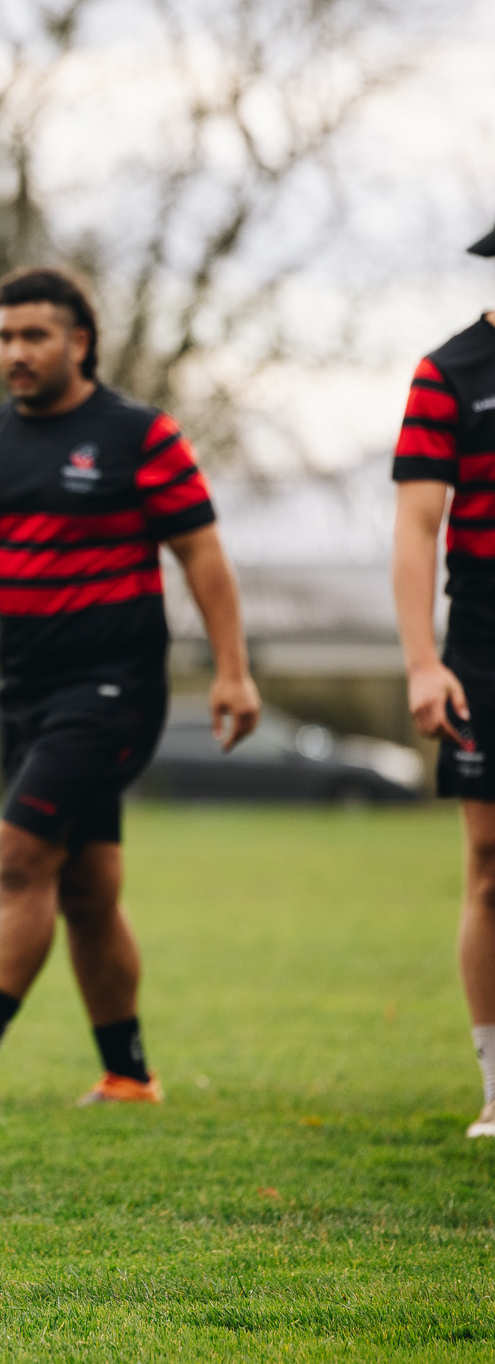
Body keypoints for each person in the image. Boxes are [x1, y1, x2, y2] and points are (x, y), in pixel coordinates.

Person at [0, 267, 259, 1106]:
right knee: (86, 889)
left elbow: (202, 557)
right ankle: (127, 1074)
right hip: (27, 693)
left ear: (80, 341)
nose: (15, 352)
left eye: (34, 336)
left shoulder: (139, 436)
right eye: (4, 337)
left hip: (113, 689)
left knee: (19, 856)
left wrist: (231, 670)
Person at [390, 219, 495, 1140]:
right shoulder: (449, 374)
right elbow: (418, 529)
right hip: (486, 644)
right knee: (490, 865)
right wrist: (424, 661)